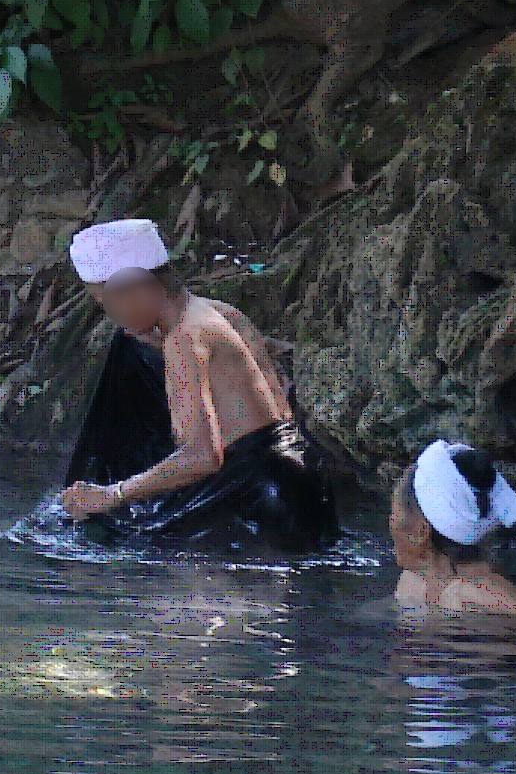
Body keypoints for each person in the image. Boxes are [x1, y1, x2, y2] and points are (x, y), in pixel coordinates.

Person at [53, 218, 336, 551]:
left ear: (135, 288)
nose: (111, 315)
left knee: (118, 542)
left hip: (260, 497)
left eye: (106, 303)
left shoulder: (184, 340)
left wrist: (112, 495)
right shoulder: (219, 313)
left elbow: (203, 457)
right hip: (303, 483)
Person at [392, 441, 516, 627]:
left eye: (394, 514)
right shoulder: (411, 580)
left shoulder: (481, 595)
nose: (390, 522)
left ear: (421, 531)